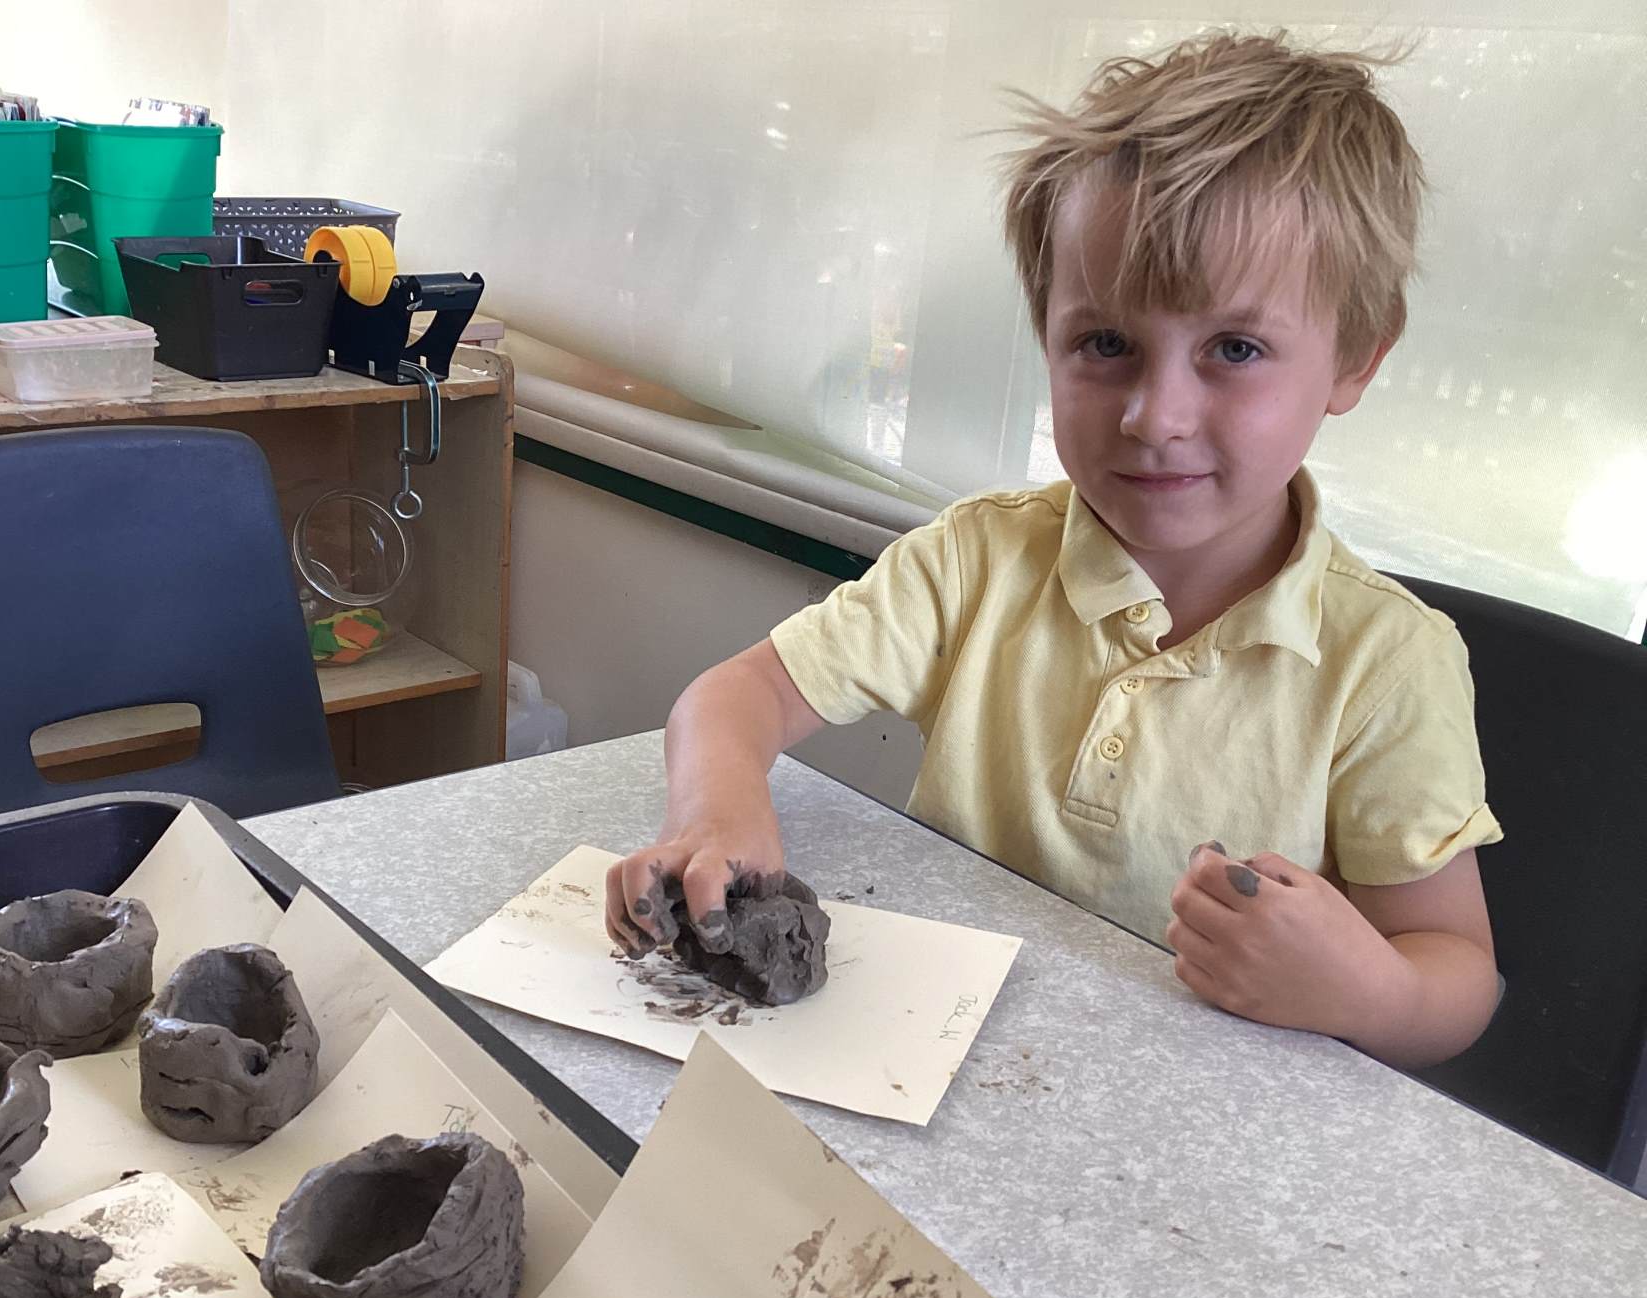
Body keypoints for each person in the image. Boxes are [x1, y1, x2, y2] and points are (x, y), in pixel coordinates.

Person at [603, 30, 1503, 1069]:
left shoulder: (1390, 663)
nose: (1155, 416)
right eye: (1105, 343)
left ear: (1356, 358)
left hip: (1197, 1115)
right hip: (929, 1066)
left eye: (1235, 349)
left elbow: (1457, 972)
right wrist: (717, 811)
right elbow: (736, 696)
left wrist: (1373, 991)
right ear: (1047, 337)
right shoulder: (977, 560)